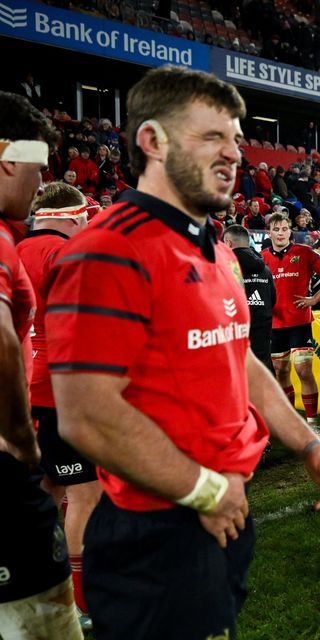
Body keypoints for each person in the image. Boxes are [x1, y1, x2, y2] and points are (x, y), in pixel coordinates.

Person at [44, 66, 320, 639]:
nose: (234, 153)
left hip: (223, 511)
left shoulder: (215, 247)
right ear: (152, 141)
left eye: (236, 138)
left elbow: (241, 360)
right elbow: (86, 414)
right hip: (159, 528)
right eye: (212, 137)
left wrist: (308, 441)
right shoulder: (108, 250)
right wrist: (205, 489)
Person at [0, 91, 83, 640]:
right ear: (7, 157)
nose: (36, 183)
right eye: (34, 167)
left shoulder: (18, 240)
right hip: (33, 422)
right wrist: (19, 439)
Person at [16, 183, 100, 632]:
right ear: (74, 215)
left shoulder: (14, 248)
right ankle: (81, 605)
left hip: (24, 386)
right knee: (86, 496)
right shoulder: (63, 254)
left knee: (46, 493)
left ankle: (36, 590)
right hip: (62, 389)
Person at [262, 212, 320, 438]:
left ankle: (312, 423)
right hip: (274, 324)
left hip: (300, 322)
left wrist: (315, 300)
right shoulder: (261, 257)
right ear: (270, 233)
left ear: (290, 231)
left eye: (285, 229)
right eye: (276, 229)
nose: (281, 233)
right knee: (280, 371)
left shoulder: (304, 252)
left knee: (303, 370)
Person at [223, 224, 276, 374]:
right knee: (264, 371)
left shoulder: (225, 267)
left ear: (228, 243)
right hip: (262, 327)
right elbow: (272, 299)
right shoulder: (265, 269)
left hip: (235, 330)